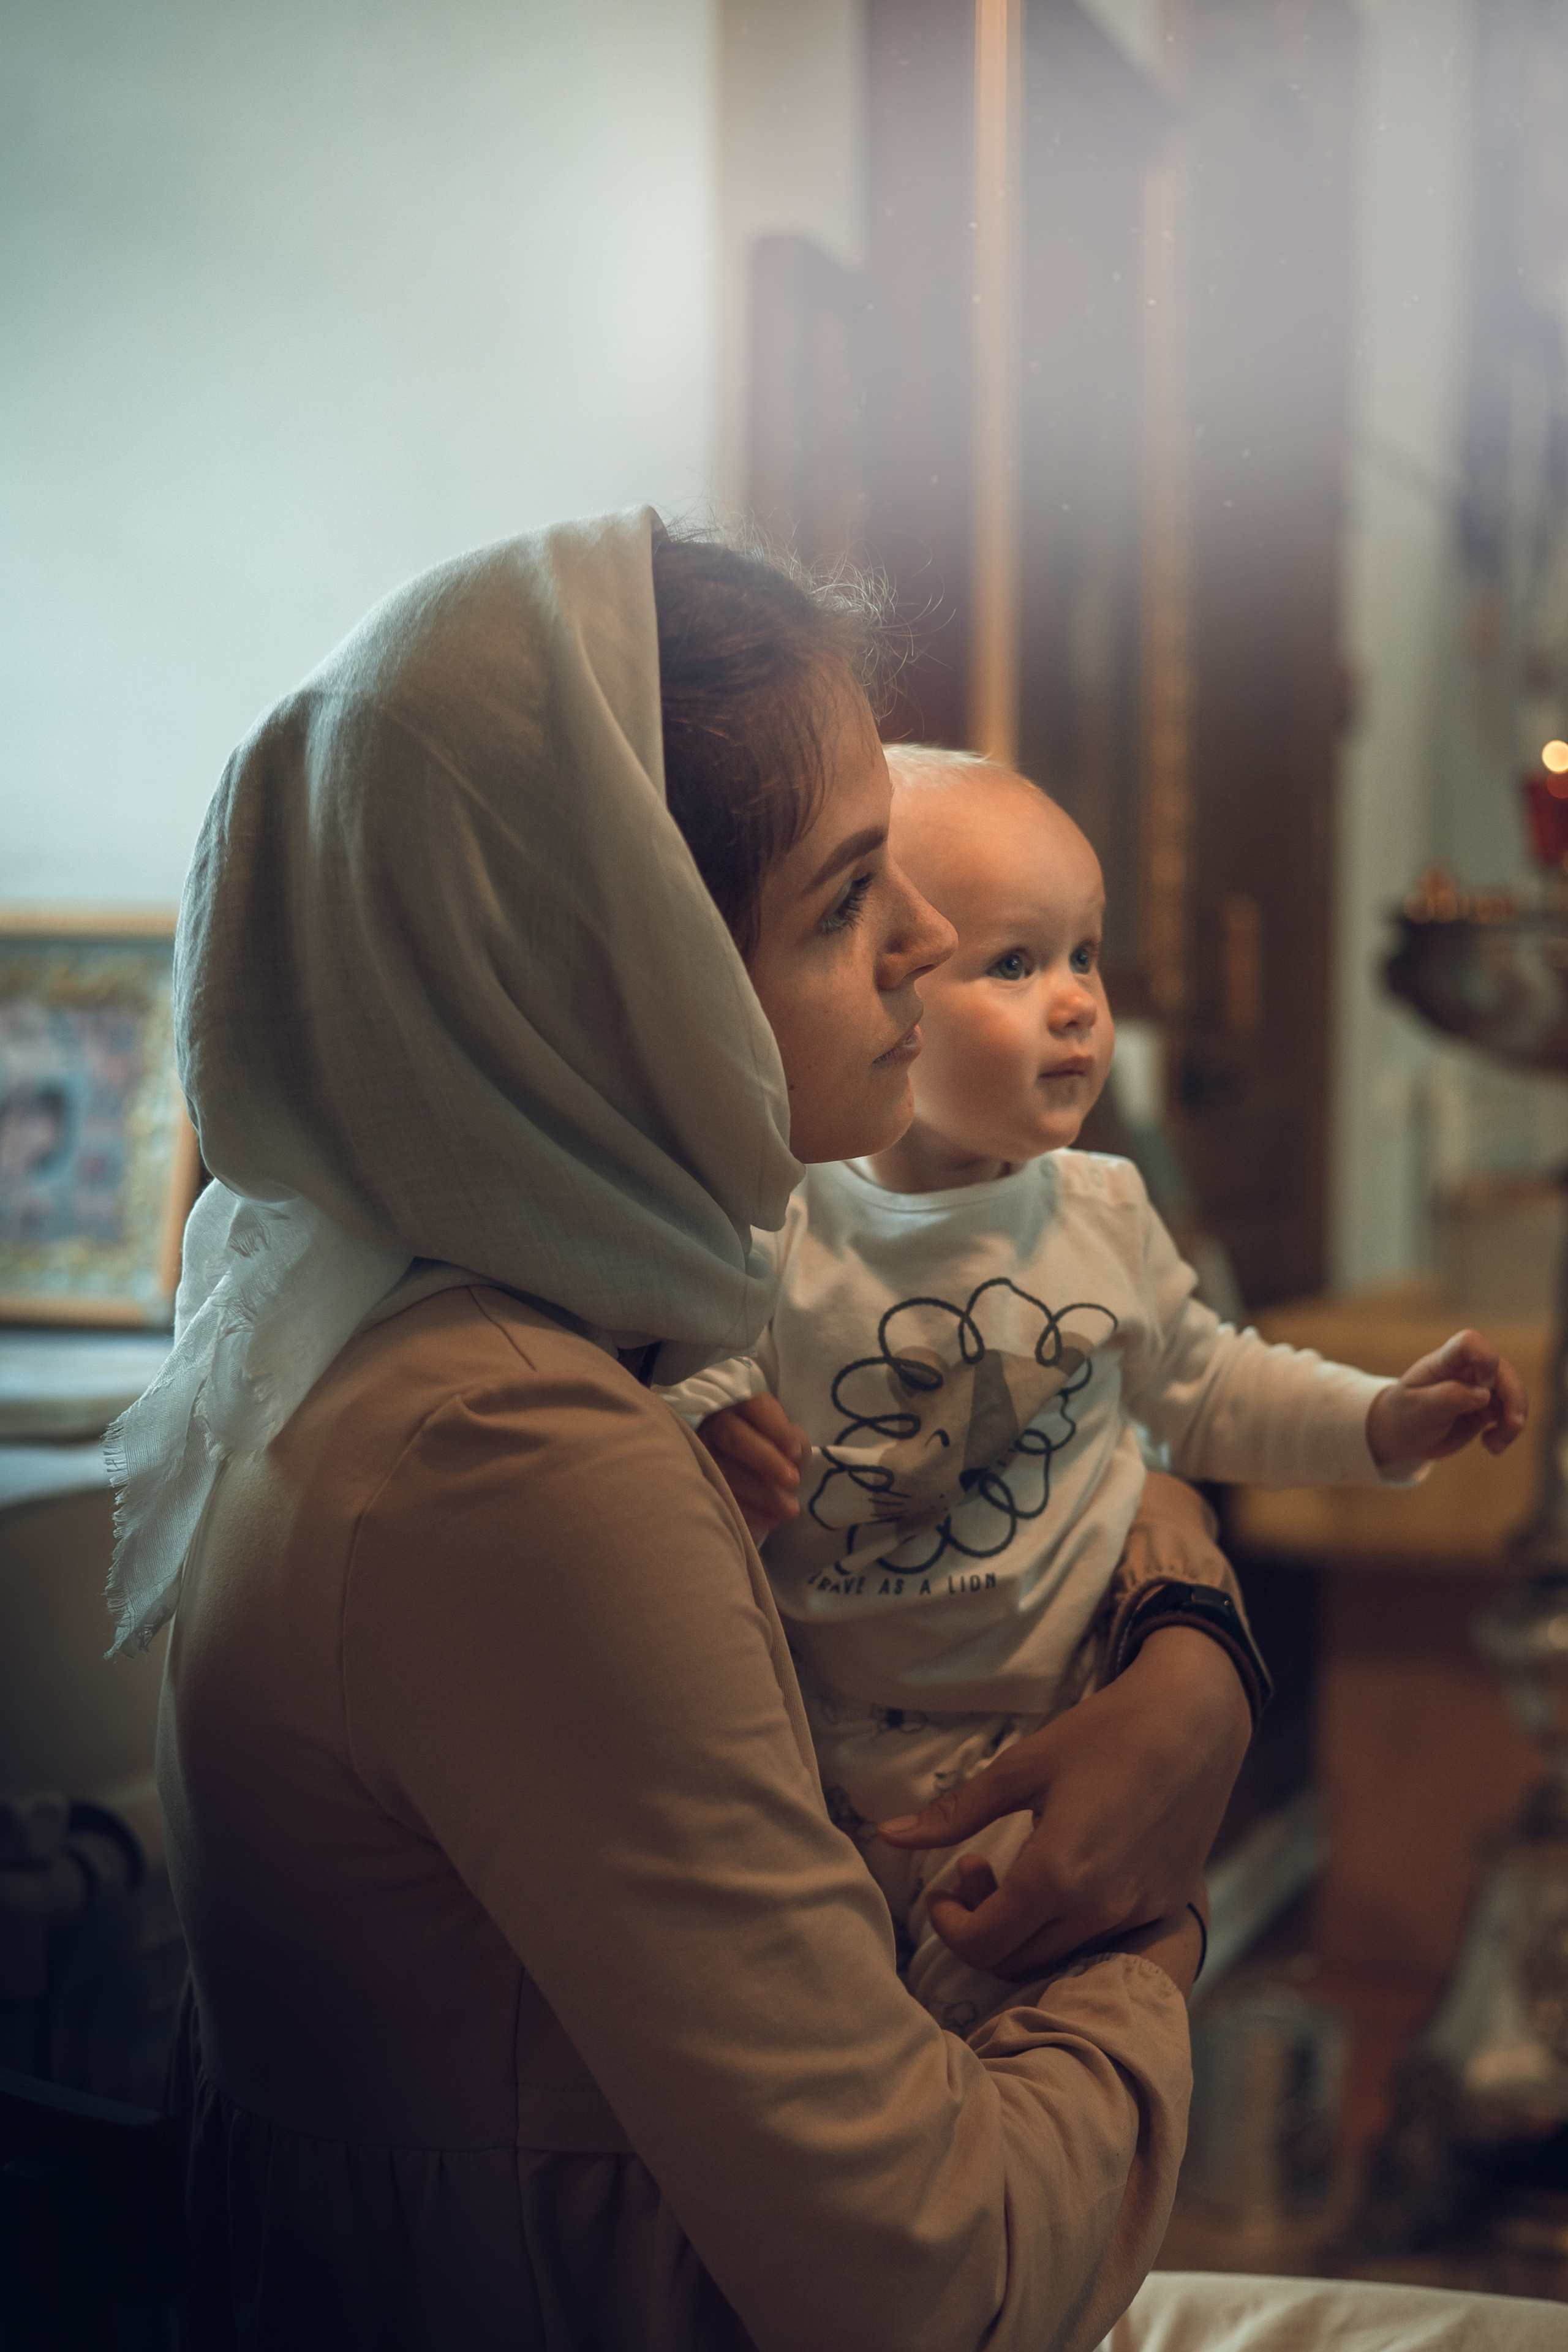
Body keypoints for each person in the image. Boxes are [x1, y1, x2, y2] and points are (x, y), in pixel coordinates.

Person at [108, 516, 1558, 2350]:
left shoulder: (525, 1318)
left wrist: (1184, 1633)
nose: (934, 943)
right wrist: (1144, 1906)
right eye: (846, 896)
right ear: (621, 976)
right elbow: (930, 2278)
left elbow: (1155, 1386)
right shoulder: (518, 1452)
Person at [660, 748, 1528, 2014]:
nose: (1074, 1004)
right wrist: (702, 1416)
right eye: (1011, 964)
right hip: (823, 1752)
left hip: (1059, 1735)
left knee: (1013, 2023)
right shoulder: (784, 1225)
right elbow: (671, 1375)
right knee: (831, 2040)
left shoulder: (1101, 1212)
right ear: (879, 986)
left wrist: (1381, 1417)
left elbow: (1209, 1382)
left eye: (1082, 955)